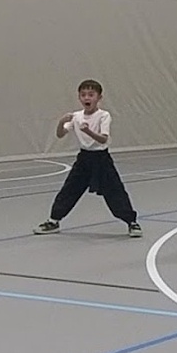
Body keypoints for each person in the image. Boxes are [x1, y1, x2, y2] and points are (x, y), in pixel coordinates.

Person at [33, 80, 142, 237]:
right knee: (70, 189)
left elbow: (103, 139)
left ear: (99, 97)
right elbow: (60, 134)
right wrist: (61, 122)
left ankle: (132, 222)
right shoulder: (76, 116)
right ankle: (53, 220)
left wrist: (89, 131)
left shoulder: (104, 115)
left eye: (91, 95)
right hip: (84, 159)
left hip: (101, 159)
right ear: (79, 98)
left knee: (115, 190)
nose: (87, 98)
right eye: (83, 95)